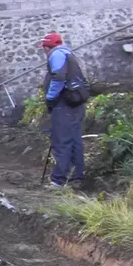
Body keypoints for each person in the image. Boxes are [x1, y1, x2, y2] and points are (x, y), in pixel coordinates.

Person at [41, 32, 89, 187]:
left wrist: (50, 97)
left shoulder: (56, 55)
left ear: (47, 47)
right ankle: (76, 177)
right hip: (77, 101)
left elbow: (59, 77)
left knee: (62, 141)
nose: (44, 51)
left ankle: (58, 180)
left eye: (44, 48)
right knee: (75, 139)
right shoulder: (70, 54)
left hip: (64, 103)